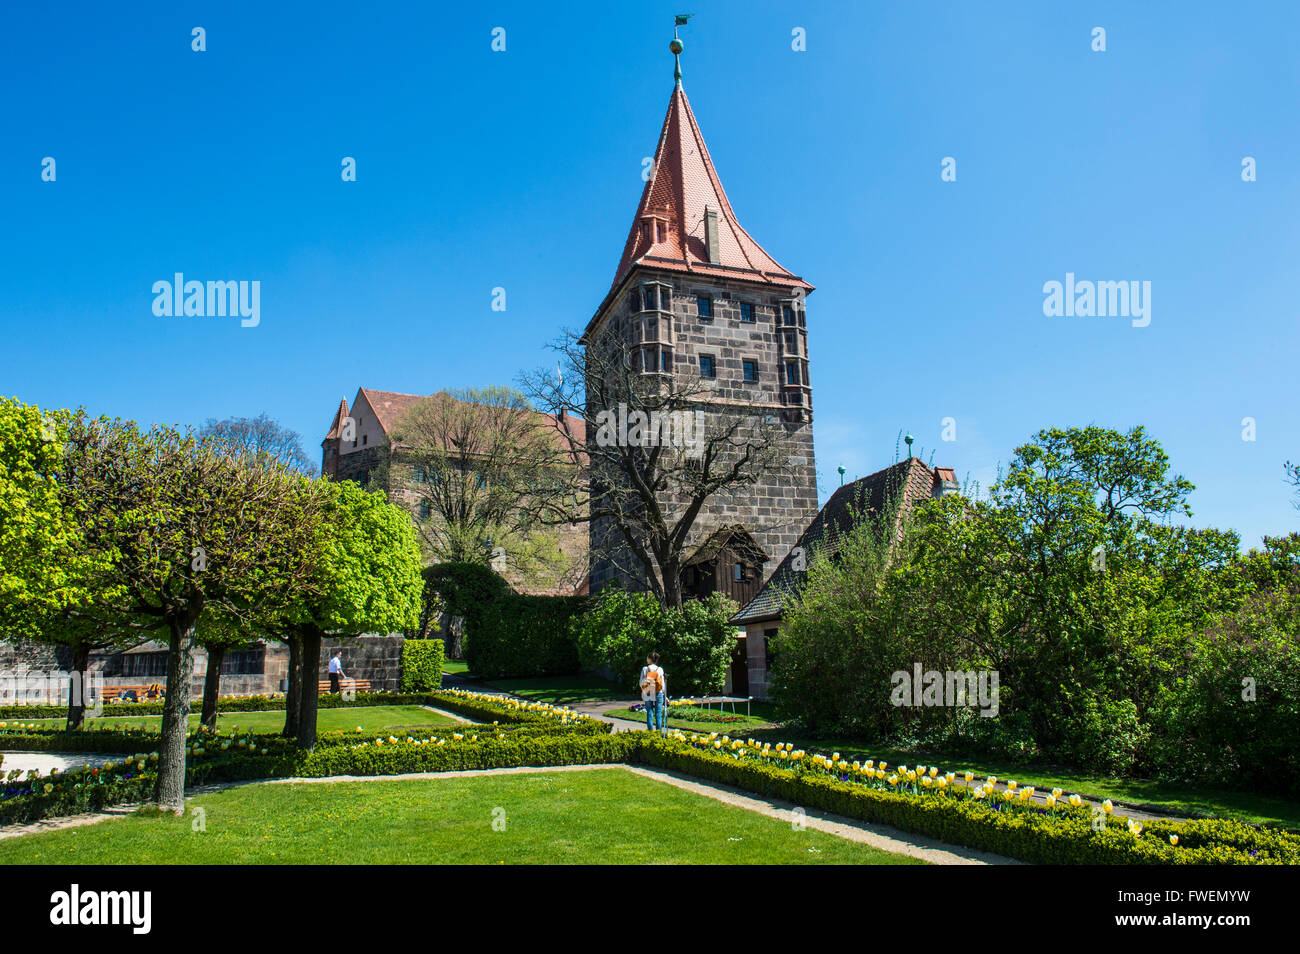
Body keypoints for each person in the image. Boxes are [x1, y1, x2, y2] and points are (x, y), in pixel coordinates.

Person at [639, 653, 664, 731]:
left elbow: (641, 682)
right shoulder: (660, 669)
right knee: (658, 714)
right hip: (658, 692)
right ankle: (658, 733)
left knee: (649, 712)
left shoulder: (645, 669)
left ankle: (650, 732)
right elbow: (662, 683)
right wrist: (663, 693)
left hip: (648, 691)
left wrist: (643, 689)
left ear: (649, 659)